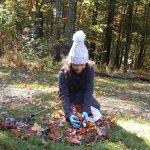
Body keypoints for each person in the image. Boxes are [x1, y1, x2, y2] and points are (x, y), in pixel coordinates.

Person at [58, 30, 100, 129]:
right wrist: (68, 114)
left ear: (86, 63)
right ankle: (73, 110)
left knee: (97, 107)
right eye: (76, 65)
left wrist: (85, 110)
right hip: (70, 95)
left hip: (82, 94)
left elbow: (89, 90)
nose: (79, 68)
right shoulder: (63, 73)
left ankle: (81, 109)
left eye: (82, 65)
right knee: (70, 110)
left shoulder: (89, 69)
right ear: (70, 63)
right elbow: (63, 94)